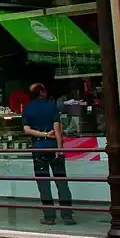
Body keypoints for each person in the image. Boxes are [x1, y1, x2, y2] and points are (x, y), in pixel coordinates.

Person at [23, 83, 75, 225]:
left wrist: (41, 134)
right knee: (61, 182)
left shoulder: (28, 108)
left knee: (43, 183)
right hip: (53, 147)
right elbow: (57, 128)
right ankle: (67, 215)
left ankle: (49, 217)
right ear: (42, 92)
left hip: (38, 148)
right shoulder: (52, 106)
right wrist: (60, 148)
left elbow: (26, 130)